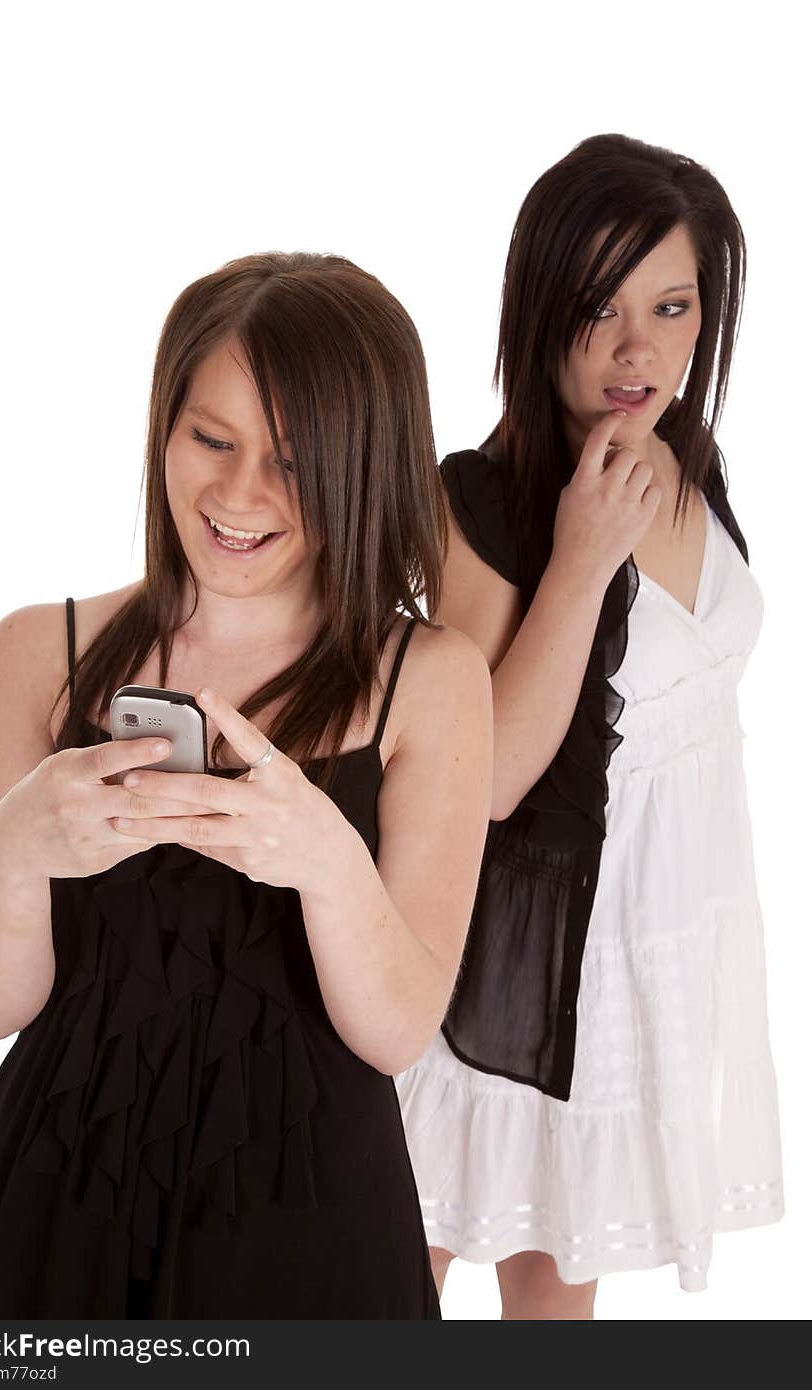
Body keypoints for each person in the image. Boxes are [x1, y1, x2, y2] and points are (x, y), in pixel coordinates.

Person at [0, 251, 492, 1318]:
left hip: (310, 1213)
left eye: (291, 460)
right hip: (59, 1200)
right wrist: (16, 851)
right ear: (164, 428)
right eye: (211, 439)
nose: (239, 495)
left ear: (359, 464)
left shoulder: (432, 679)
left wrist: (324, 862)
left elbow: (397, 1028)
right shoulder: (37, 653)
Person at [394, 134, 784, 1319]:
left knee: (557, 1316)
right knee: (382, 1297)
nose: (638, 350)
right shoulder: (480, 501)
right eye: (599, 308)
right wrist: (576, 562)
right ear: (536, 309)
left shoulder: (687, 460)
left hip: (638, 966)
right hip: (502, 967)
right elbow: (493, 780)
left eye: (672, 308)